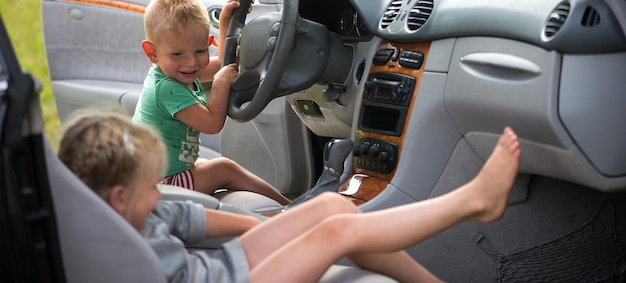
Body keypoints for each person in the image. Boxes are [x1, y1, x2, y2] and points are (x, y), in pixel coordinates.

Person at [58, 109, 522, 283]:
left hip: (228, 267)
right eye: (148, 187)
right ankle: (474, 201)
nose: (158, 192)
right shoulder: (113, 257)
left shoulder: (140, 210)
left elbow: (197, 223)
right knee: (336, 232)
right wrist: (292, 242)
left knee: (332, 206)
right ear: (117, 198)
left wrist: (275, 231)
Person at [132, 0, 290, 205]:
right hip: (158, 186)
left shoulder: (177, 72)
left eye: (199, 51)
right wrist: (220, 83)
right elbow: (213, 123)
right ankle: (288, 208)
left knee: (214, 166)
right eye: (178, 54)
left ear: (208, 43)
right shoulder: (166, 88)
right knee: (223, 169)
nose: (191, 63)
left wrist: (226, 21)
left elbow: (224, 64)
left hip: (163, 175)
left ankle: (287, 206)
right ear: (152, 53)